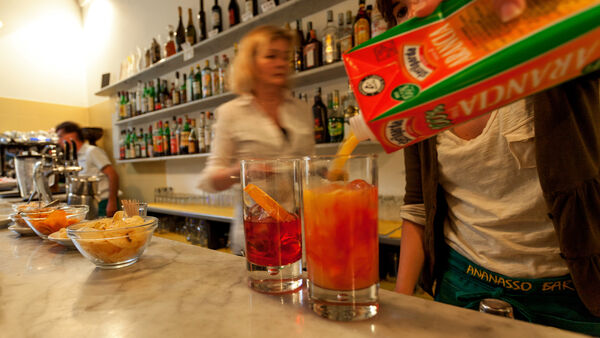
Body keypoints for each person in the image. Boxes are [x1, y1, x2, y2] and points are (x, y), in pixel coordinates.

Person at [375, 0, 600, 335]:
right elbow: (417, 206)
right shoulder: (419, 103)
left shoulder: (547, 51)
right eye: (401, 11)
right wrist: (398, 307)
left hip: (571, 295)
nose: (416, 13)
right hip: (461, 285)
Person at [197, 25, 315, 255]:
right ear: (250, 63)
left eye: (285, 56)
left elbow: (312, 169)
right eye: (271, 56)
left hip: (302, 232)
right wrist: (246, 172)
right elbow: (209, 180)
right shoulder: (231, 112)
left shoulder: (302, 110)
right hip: (257, 234)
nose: (281, 63)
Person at [56, 121, 120, 217]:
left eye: (60, 136)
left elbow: (113, 175)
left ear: (72, 135)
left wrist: (112, 202)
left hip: (103, 202)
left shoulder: (92, 151)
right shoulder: (74, 156)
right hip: (88, 204)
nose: (58, 141)